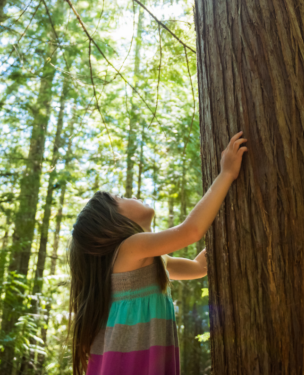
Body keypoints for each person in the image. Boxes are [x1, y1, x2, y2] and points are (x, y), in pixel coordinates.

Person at [68, 131, 248, 375]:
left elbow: (199, 268)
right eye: (120, 198)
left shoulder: (150, 260)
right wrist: (226, 173)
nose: (129, 195)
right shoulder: (129, 248)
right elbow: (191, 231)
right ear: (112, 221)